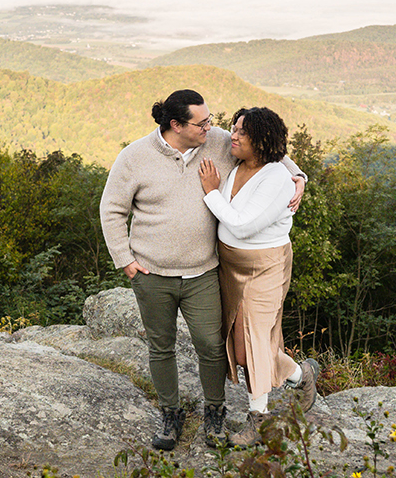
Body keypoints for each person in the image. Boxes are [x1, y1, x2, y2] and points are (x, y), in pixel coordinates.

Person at [100, 89, 304, 451]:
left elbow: (267, 148)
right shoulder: (134, 157)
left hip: (205, 272)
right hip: (152, 274)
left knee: (212, 346)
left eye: (212, 121)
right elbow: (112, 209)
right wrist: (125, 260)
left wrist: (297, 175)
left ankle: (215, 412)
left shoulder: (218, 142)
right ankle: (170, 414)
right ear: (176, 125)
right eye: (203, 122)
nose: (214, 127)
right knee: (161, 347)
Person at [198, 107, 319, 447]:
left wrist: (210, 191)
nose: (232, 136)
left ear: (261, 140)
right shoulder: (238, 164)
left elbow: (242, 225)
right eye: (234, 129)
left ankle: (259, 420)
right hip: (229, 266)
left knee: (250, 344)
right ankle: (301, 375)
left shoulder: (277, 179)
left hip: (263, 265)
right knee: (240, 349)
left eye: (242, 132)